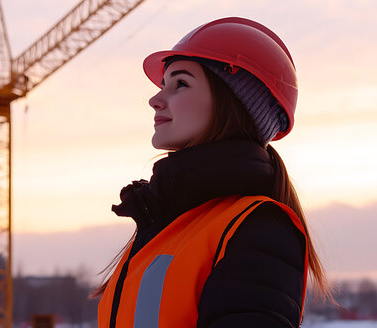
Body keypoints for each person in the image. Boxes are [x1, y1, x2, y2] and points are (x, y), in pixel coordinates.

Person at [95, 17, 331, 327]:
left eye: (180, 83)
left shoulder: (256, 228)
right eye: (163, 85)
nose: (155, 100)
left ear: (231, 103)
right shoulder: (164, 224)